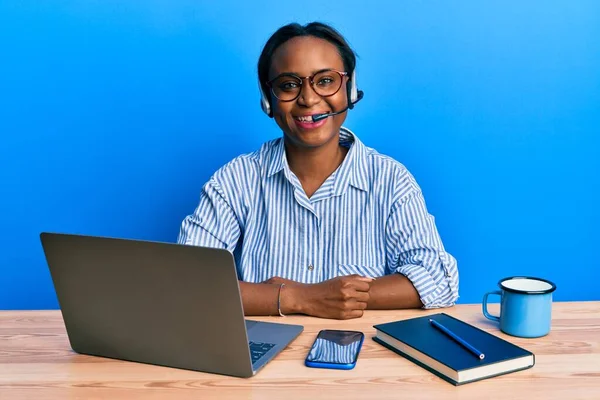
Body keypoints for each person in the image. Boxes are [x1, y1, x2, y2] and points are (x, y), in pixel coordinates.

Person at [178, 22, 458, 319]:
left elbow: (438, 279)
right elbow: (188, 283)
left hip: (363, 356)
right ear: (267, 99)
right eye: (288, 84)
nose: (308, 99)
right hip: (262, 357)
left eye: (325, 81)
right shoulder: (235, 180)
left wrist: (337, 298)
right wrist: (303, 298)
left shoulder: (390, 180)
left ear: (349, 89)